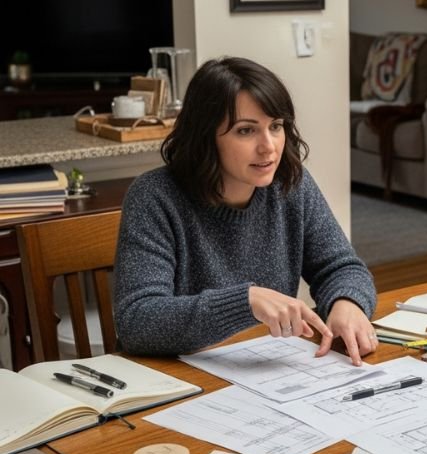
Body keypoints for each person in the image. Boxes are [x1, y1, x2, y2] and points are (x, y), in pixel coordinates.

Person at [114, 56, 378, 365]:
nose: (269, 146)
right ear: (206, 136)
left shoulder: (291, 184)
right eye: (245, 131)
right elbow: (137, 321)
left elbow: (342, 267)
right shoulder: (154, 197)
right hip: (182, 379)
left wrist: (346, 303)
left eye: (276, 126)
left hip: (267, 371)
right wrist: (245, 301)